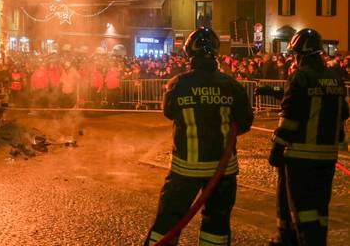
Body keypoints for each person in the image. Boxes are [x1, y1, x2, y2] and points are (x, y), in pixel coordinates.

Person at [144, 28, 254, 245]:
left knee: (169, 220)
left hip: (185, 168)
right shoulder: (230, 85)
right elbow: (245, 122)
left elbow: (169, 112)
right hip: (223, 171)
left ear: (189, 54)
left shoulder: (178, 84)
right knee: (216, 224)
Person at [264, 29, 349, 246]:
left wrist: (276, 148)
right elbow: (343, 111)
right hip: (327, 157)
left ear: (301, 54)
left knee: (303, 211)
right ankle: (293, 240)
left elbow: (290, 117)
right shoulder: (334, 78)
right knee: (319, 209)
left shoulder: (300, 76)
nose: (293, 58)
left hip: (300, 157)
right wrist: (276, 92)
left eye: (294, 54)